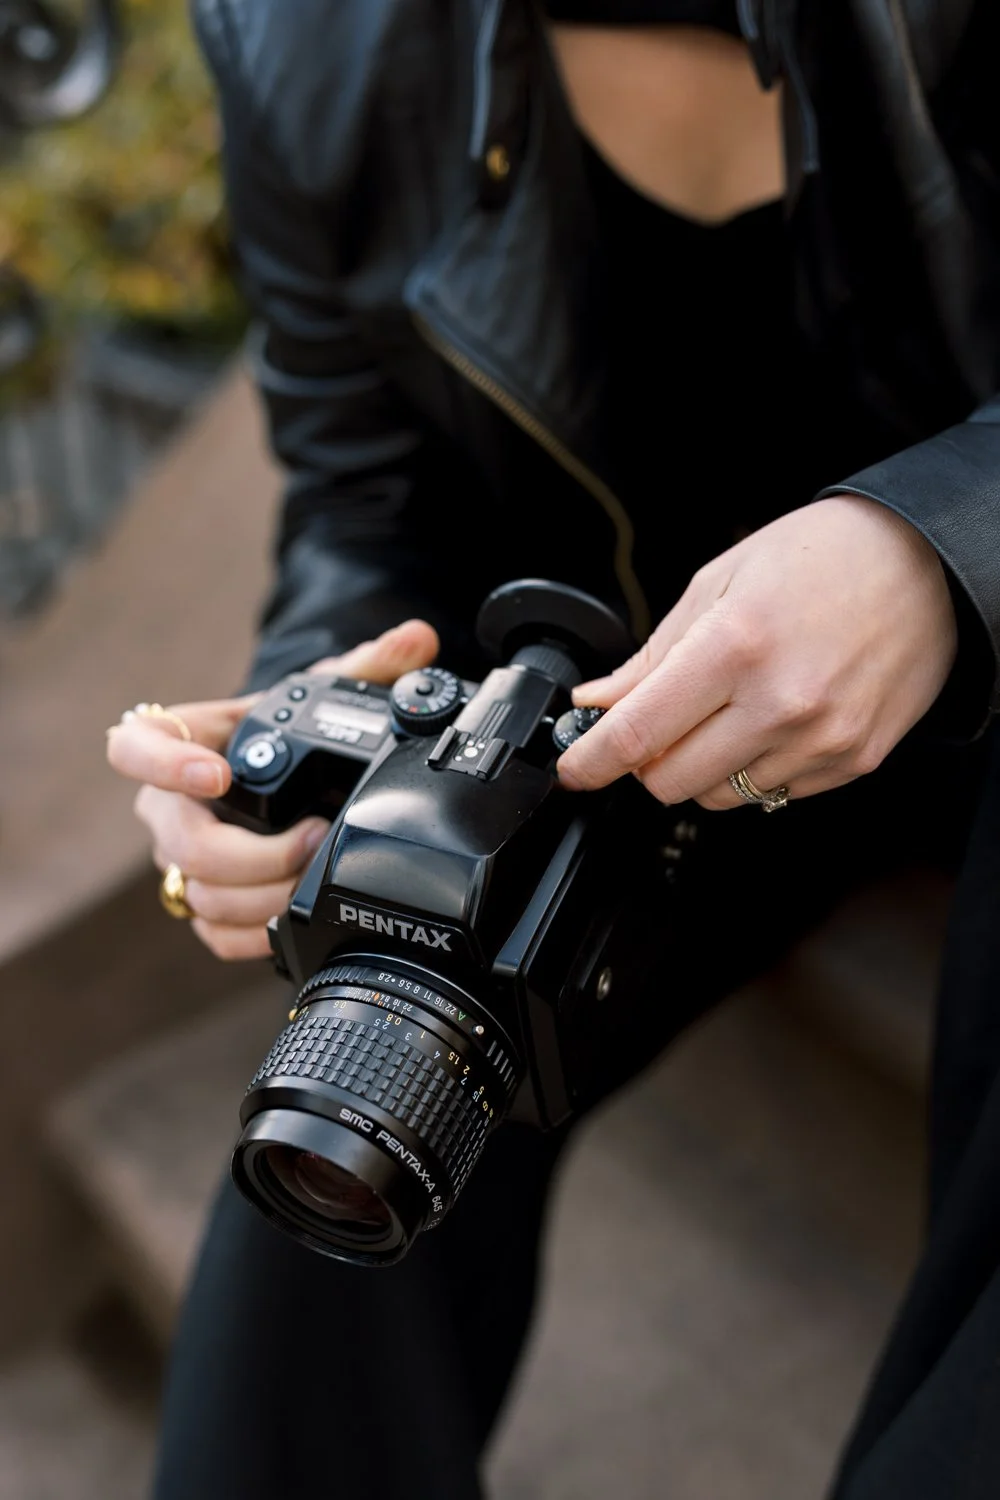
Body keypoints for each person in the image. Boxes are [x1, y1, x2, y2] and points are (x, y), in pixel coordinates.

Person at [105, 2, 1000, 1496]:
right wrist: (293, 749)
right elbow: (364, 492)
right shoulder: (295, 33)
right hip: (632, 731)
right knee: (336, 1145)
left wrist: (944, 553)